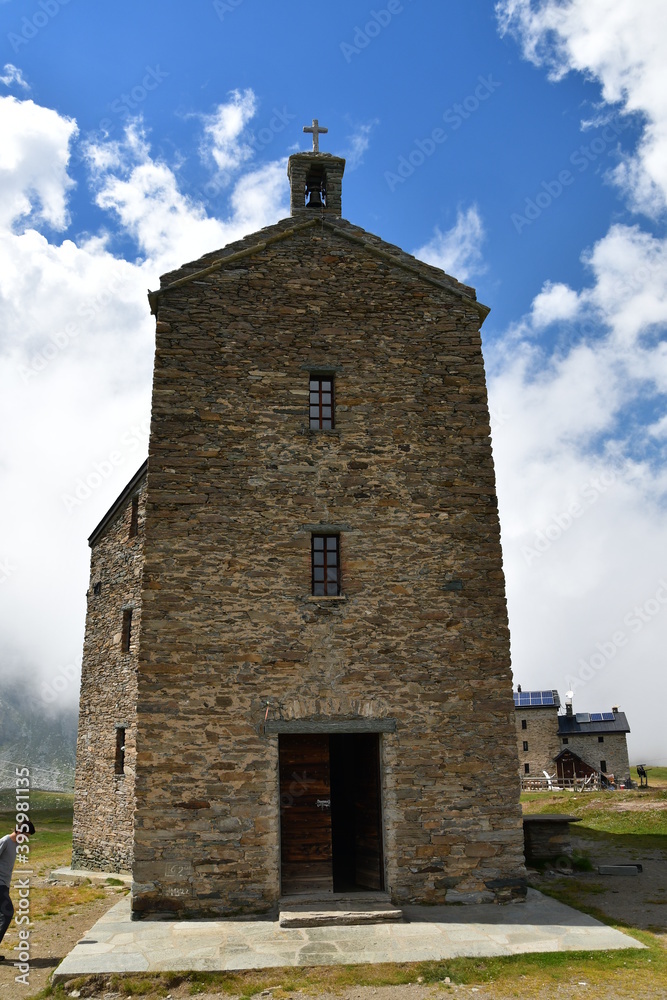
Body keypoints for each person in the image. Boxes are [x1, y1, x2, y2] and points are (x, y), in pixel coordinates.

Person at [0, 819, 35, 961]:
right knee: (7, 914)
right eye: (25, 835)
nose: (26, 839)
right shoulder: (5, 841)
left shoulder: (15, 844)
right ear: (19, 831)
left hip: (4, 885)